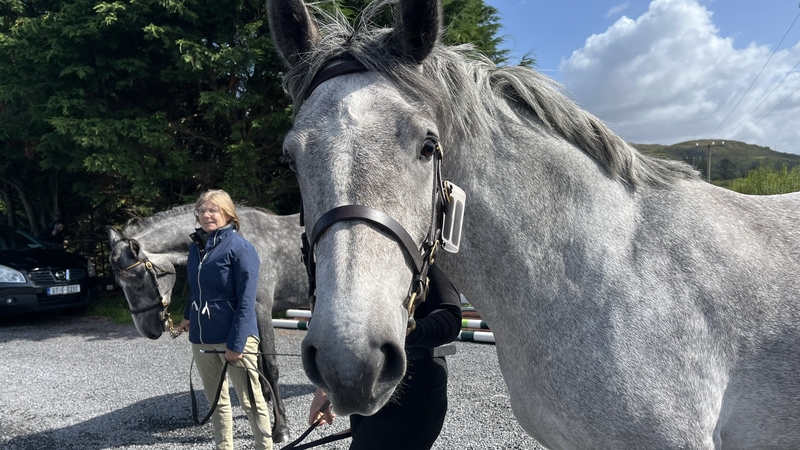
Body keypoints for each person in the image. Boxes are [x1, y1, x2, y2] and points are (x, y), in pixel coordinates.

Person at [308, 264, 462, 450]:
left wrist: (407, 330)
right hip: (366, 383)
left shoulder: (421, 252)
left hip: (412, 388)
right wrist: (324, 387)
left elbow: (449, 317)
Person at [177, 189, 272, 450]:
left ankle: (265, 446)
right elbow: (196, 288)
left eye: (213, 210)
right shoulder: (196, 248)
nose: (206, 215)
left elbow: (246, 302)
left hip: (235, 339)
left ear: (227, 213)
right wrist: (187, 317)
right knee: (216, 402)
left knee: (250, 400)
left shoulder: (241, 248)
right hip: (202, 338)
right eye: (202, 211)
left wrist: (237, 343)